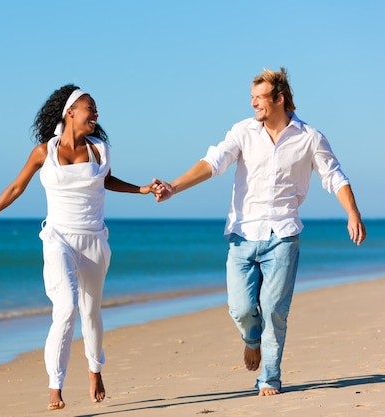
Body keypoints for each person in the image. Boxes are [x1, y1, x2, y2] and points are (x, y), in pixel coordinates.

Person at [153, 68, 366, 396]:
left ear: (278, 99)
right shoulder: (243, 131)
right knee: (239, 308)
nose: (252, 103)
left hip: (283, 236)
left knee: (274, 310)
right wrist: (174, 187)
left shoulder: (309, 137)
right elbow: (214, 162)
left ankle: (269, 377)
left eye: (259, 98)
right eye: (251, 97)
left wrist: (352, 212)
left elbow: (334, 176)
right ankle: (252, 339)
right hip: (242, 234)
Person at [0, 84, 159, 410]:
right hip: (59, 239)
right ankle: (55, 386)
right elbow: (16, 187)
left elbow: (106, 180)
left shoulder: (99, 149)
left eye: (96, 110)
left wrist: (141, 189)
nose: (96, 114)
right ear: (70, 112)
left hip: (95, 241)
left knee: (91, 312)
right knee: (67, 306)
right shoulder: (45, 152)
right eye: (90, 108)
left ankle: (94, 369)